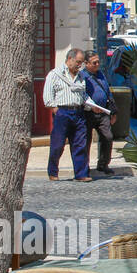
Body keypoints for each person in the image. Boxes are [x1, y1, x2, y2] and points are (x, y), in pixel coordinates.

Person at [43, 47, 92, 182]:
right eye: (78, 62)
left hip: (78, 112)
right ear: (69, 59)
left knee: (80, 144)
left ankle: (81, 174)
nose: (80, 65)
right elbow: (48, 96)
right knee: (57, 145)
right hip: (62, 113)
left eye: (81, 62)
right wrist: (55, 110)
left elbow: (83, 95)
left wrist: (90, 105)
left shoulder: (81, 76)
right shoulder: (55, 74)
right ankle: (53, 172)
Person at [82, 51, 116, 176]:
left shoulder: (101, 75)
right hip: (88, 113)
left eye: (98, 62)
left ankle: (103, 164)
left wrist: (113, 111)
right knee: (86, 141)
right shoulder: (83, 76)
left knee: (107, 137)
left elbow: (108, 92)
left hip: (103, 112)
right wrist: (91, 107)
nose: (97, 65)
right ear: (86, 63)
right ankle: (84, 167)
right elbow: (81, 95)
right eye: (94, 62)